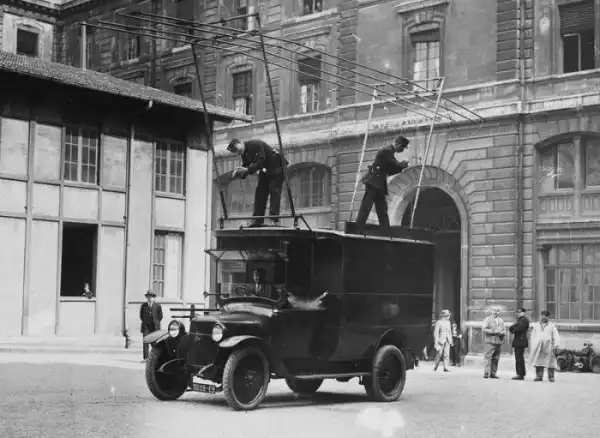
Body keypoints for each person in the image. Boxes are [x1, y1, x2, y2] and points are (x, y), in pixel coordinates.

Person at [227, 137, 289, 227]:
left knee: (274, 191)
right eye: (235, 152)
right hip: (265, 170)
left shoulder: (255, 144)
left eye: (237, 149)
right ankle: (257, 219)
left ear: (240, 143)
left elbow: (261, 160)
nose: (237, 152)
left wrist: (247, 169)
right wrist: (239, 173)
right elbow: (247, 167)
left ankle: (274, 219)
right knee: (260, 193)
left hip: (277, 168)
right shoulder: (244, 154)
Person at [355, 135, 410, 232]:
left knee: (382, 209)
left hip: (379, 185)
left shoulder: (389, 153)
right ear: (398, 144)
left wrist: (401, 166)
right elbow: (394, 164)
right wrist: (402, 165)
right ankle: (358, 228)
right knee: (366, 206)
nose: (402, 150)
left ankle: (385, 230)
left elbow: (391, 169)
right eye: (402, 148)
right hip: (374, 183)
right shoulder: (386, 151)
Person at [529, 310, 560, 383]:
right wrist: (533, 344)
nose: (543, 317)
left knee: (550, 362)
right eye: (542, 316)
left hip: (548, 346)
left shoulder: (552, 325)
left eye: (545, 316)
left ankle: (551, 377)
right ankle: (539, 376)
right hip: (538, 346)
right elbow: (533, 335)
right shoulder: (536, 325)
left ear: (548, 317)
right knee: (538, 362)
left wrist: (556, 345)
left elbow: (556, 335)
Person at [139, 290, 163, 362]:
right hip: (146, 326)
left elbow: (160, 316)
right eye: (148, 297)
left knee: (154, 342)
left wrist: (156, 322)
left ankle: (156, 357)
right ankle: (146, 358)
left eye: (151, 297)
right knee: (145, 341)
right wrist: (146, 321)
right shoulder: (143, 306)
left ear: (154, 298)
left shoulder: (158, 306)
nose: (149, 298)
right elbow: (141, 316)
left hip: (154, 327)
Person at [482, 307, 505, 379]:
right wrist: (493, 331)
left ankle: (493, 373)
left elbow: (504, 329)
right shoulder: (487, 319)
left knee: (496, 358)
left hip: (498, 342)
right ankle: (486, 373)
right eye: (494, 311)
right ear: (491, 311)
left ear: (499, 312)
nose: (495, 312)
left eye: (497, 311)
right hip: (490, 341)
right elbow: (484, 329)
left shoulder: (501, 320)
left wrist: (503, 332)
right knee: (488, 357)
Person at [509, 308, 530, 380]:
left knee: (519, 358)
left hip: (521, 341)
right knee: (518, 358)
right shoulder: (519, 320)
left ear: (523, 312)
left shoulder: (524, 320)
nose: (518, 313)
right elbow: (511, 328)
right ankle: (520, 374)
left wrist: (513, 328)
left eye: (520, 312)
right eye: (517, 312)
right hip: (518, 341)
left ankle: (520, 374)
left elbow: (519, 329)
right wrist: (513, 328)